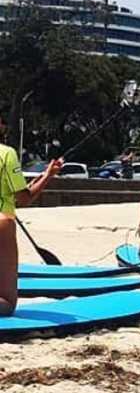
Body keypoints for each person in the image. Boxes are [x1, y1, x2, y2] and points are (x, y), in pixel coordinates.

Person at [0, 114, 62, 315]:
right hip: (2, 223)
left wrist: (45, 174)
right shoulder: (6, 154)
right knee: (7, 303)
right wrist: (48, 176)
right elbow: (23, 199)